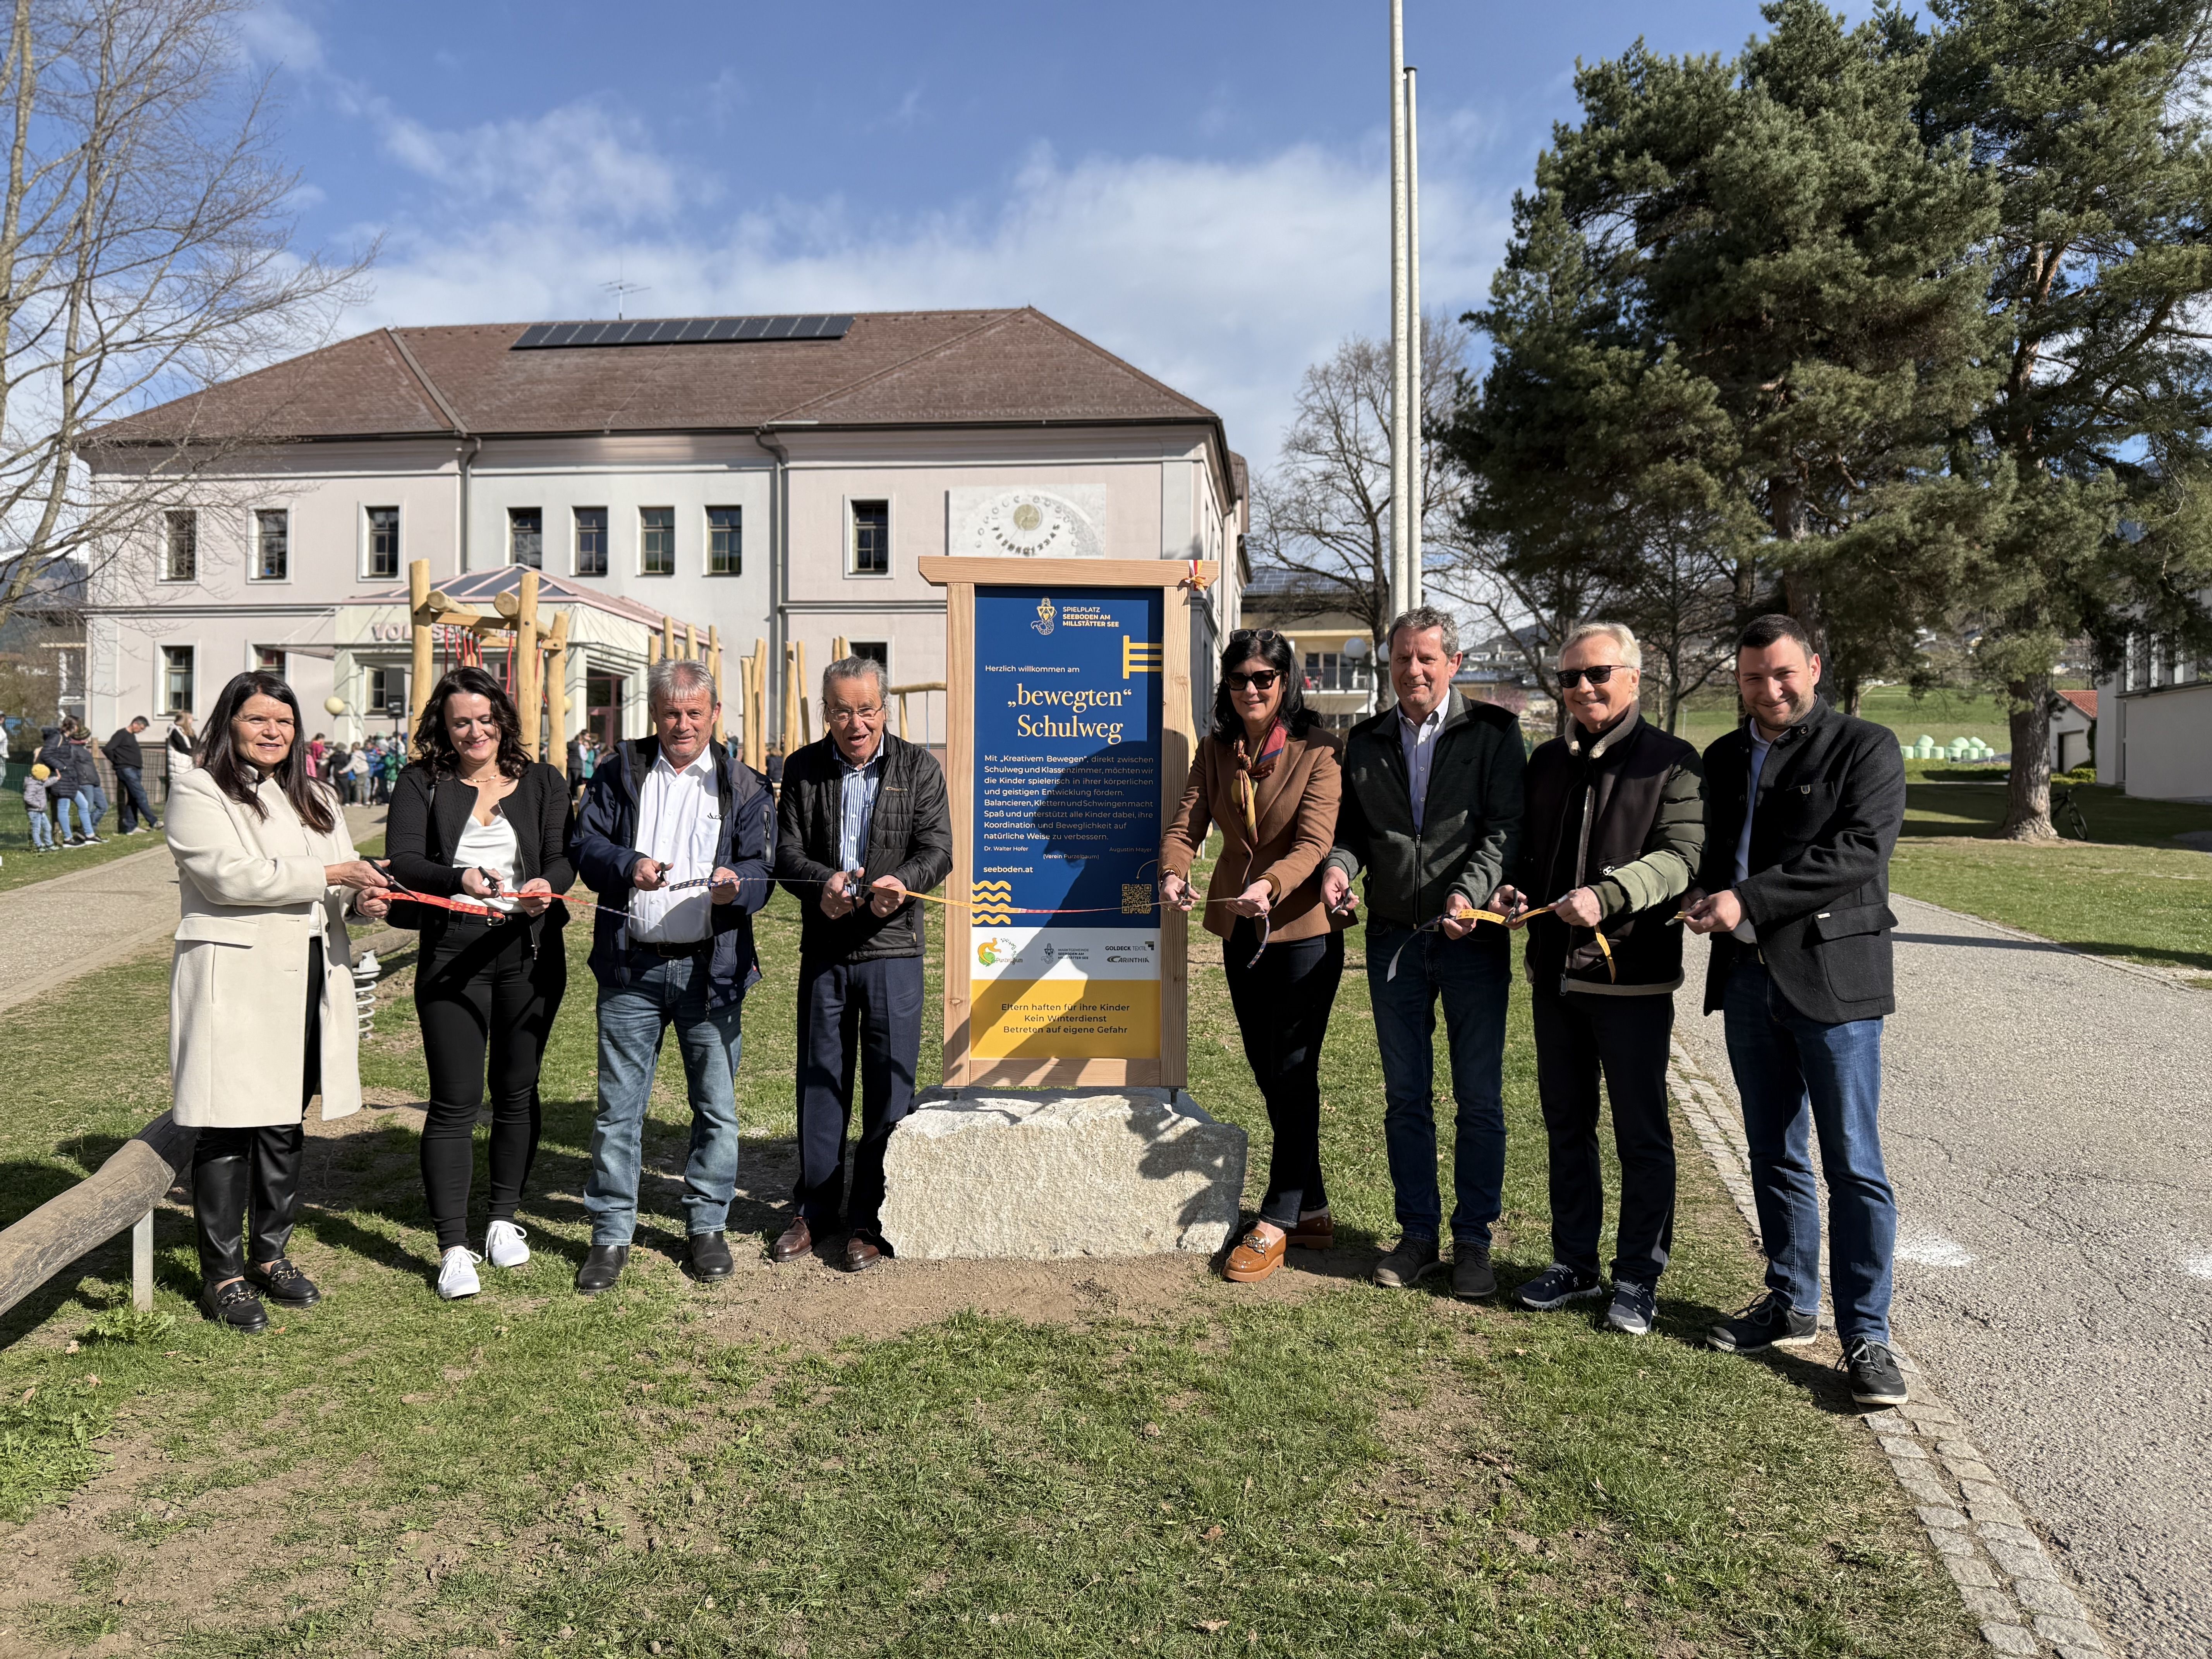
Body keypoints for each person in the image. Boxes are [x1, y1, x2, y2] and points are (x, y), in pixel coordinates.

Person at [1684, 613, 1910, 1407]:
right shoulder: (1722, 756)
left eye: (1782, 673)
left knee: (1853, 1164)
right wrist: (1694, 894)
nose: (1769, 689)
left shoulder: (1865, 747)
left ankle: (1869, 1337)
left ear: (1815, 666)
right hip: (1747, 978)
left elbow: (1855, 855)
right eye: (1752, 677)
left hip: (1835, 983)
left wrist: (1743, 897)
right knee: (1773, 1152)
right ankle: (1790, 1301)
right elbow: (1712, 855)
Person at [1490, 623, 1704, 1336]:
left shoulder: (1672, 762)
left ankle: (1638, 1275)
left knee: (1641, 1134)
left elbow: (1681, 857)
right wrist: (1512, 892)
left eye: (1597, 673)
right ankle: (1574, 1261)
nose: (1583, 687)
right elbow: (1523, 850)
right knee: (1565, 1125)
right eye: (1570, 676)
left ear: (1634, 677)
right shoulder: (1545, 760)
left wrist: (1609, 896)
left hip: (1631, 982)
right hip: (1554, 976)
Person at [165, 670, 392, 1331]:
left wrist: (361, 898)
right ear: (229, 722)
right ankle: (224, 1273)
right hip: (236, 978)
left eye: (285, 721)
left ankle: (271, 1253)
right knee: (228, 1124)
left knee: (284, 1122)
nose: (274, 732)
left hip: (309, 975)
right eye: (259, 719)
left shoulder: (317, 793)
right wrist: (332, 875)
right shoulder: (199, 787)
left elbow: (341, 877)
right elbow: (228, 876)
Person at [1318, 606, 1525, 1300]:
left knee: (1478, 1097)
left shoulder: (1494, 733)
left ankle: (1473, 1240)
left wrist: (1467, 896)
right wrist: (1339, 869)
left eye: (1426, 658)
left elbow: (1502, 832)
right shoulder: (1367, 738)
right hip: (1391, 940)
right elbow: (1351, 829)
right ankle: (1416, 1234)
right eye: (1402, 658)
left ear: (1453, 663)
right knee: (1405, 1096)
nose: (1412, 670)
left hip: (1468, 939)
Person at [569, 660, 774, 1293]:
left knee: (715, 1105)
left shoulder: (744, 784)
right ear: (654, 714)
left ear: (715, 714)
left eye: (694, 712)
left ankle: (706, 1224)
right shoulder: (618, 771)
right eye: (670, 713)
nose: (682, 724)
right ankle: (610, 1233)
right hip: (632, 966)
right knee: (617, 1109)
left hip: (709, 971)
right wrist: (628, 864)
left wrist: (736, 886)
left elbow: (764, 870)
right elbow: (584, 846)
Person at [1161, 629, 1346, 1284]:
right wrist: (1173, 872)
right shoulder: (1216, 749)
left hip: (1300, 928)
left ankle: (1277, 1216)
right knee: (1270, 1073)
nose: (1251, 688)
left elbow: (1315, 840)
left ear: (1286, 682)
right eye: (1240, 677)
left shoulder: (1318, 750)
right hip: (1240, 930)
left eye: (1265, 677)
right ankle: (1315, 1207)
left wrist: (1269, 886)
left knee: (1293, 1069)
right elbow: (1188, 822)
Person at [386, 666, 575, 1299]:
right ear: (445, 724)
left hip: (529, 953)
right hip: (452, 957)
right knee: (455, 1100)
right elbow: (406, 859)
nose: (475, 730)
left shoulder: (545, 779)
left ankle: (502, 1217)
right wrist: (459, 875)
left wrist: (548, 884)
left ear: (504, 719)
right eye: (461, 719)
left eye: (486, 718)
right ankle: (453, 1243)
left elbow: (560, 853)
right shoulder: (422, 782)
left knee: (518, 1091)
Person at [769, 657, 953, 1273]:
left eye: (867, 710)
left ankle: (874, 1218)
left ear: (885, 708)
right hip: (826, 948)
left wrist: (906, 879)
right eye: (843, 711)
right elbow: (787, 851)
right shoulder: (802, 768)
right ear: (828, 713)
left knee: (889, 1088)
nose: (856, 723)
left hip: (893, 948)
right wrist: (821, 882)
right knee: (821, 1081)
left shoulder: (919, 767)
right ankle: (816, 1207)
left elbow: (939, 848)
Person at [105, 716, 160, 835]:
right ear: (135, 724)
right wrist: (117, 761)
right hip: (126, 769)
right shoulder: (121, 734)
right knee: (140, 794)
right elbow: (108, 749)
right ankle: (153, 821)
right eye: (141, 728)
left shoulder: (131, 736)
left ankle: (131, 827)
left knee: (133, 798)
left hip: (135, 769)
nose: (141, 731)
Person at [35, 725, 82, 844]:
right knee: (57, 811)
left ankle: (61, 837)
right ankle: (59, 839)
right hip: (56, 781)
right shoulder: (47, 750)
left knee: (79, 805)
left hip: (61, 780)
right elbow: (41, 768)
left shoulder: (54, 746)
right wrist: (62, 767)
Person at [68, 728, 108, 840]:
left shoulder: (83, 749)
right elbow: (70, 766)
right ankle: (87, 833)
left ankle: (88, 831)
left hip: (94, 781)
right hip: (84, 782)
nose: (89, 739)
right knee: (88, 808)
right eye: (87, 737)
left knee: (103, 807)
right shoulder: (72, 749)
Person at [22, 763, 55, 851]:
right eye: (46, 776)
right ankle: (39, 846)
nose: (48, 777)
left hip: (40, 811)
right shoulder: (32, 785)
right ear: (41, 776)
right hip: (34, 811)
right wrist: (38, 805)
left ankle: (49, 844)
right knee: (37, 829)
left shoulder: (40, 783)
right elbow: (28, 798)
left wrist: (56, 778)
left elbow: (48, 782)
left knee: (48, 827)